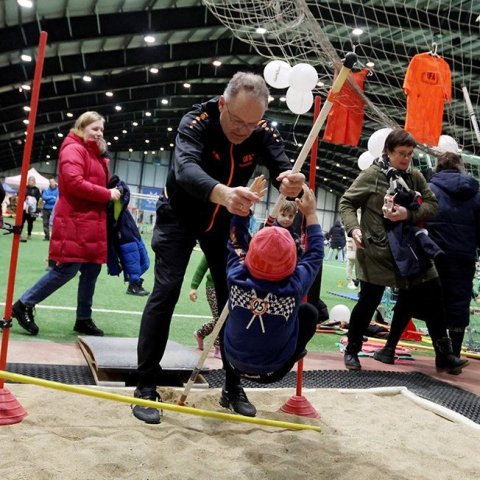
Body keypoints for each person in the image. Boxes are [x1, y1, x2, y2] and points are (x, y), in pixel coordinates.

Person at [132, 72, 305, 424]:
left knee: (234, 300)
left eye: (252, 124)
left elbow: (281, 166)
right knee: (166, 291)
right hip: (179, 216)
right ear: (223, 103)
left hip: (224, 225)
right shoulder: (196, 121)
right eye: (237, 121)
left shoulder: (260, 129)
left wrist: (290, 180)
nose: (244, 130)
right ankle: (145, 384)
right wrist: (224, 193)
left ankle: (232, 386)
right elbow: (185, 170)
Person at [339, 128, 468, 374]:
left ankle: (445, 354)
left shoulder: (415, 177)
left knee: (434, 293)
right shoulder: (372, 176)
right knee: (368, 301)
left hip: (411, 251)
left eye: (409, 154)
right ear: (387, 152)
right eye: (401, 153)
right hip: (376, 251)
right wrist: (354, 229)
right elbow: (346, 202)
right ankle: (352, 351)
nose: (406, 159)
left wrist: (408, 214)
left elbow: (432, 205)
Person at [11, 111, 121, 337]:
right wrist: (107, 194)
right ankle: (23, 304)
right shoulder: (73, 149)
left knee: (91, 271)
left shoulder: (94, 154)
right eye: (94, 129)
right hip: (75, 221)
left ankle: (83, 318)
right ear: (81, 128)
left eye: (101, 129)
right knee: (66, 269)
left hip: (91, 222)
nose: (99, 133)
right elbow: (74, 183)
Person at [221, 184, 323, 397]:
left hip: (231, 361)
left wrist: (243, 209)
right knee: (309, 313)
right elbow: (314, 254)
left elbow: (236, 240)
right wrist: (311, 214)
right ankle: (294, 352)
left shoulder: (236, 275)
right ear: (292, 260)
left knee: (228, 308)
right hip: (274, 369)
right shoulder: (294, 285)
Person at [426, 152, 480, 357]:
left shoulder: (430, 189)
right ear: (461, 167)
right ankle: (455, 354)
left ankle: (441, 353)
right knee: (459, 303)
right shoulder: (475, 194)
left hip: (434, 255)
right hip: (464, 256)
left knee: (434, 302)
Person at [106, 176, 150, 297]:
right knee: (133, 264)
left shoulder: (120, 199)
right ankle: (134, 285)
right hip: (123, 237)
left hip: (133, 234)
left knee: (145, 263)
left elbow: (124, 189)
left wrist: (118, 189)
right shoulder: (109, 205)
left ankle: (133, 282)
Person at [190, 254, 221, 359]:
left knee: (225, 317)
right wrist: (194, 287)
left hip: (230, 287)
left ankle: (200, 333)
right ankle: (218, 348)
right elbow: (201, 268)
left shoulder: (237, 247)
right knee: (220, 318)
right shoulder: (213, 247)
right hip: (213, 287)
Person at [22, 175, 41, 240]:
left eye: (32, 180)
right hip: (24, 208)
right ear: (28, 181)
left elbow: (38, 199)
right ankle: (19, 234)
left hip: (32, 209)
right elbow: (21, 195)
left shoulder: (37, 189)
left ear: (34, 182)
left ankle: (29, 234)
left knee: (31, 222)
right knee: (21, 222)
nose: (30, 181)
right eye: (29, 180)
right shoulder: (25, 188)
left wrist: (31, 201)